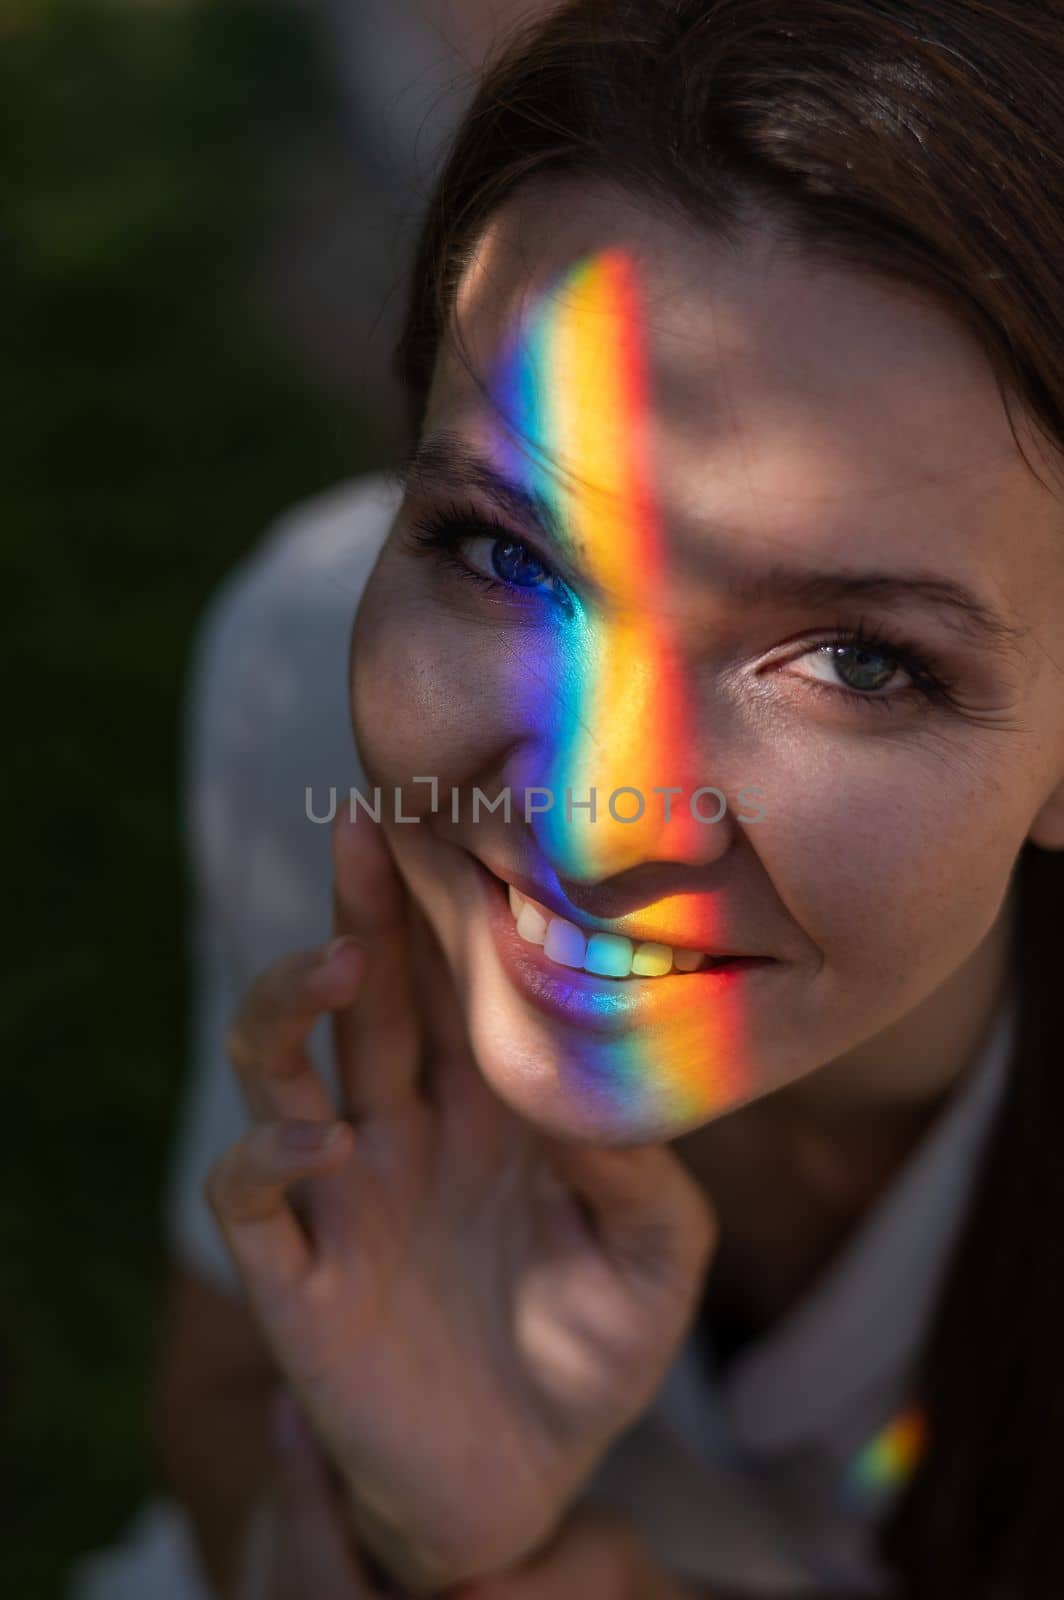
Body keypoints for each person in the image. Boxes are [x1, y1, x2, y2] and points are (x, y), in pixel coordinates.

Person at [157, 1, 1064, 1596]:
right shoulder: (311, 691)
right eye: (508, 556)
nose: (589, 821)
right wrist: (402, 1539)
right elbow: (223, 1402)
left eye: (857, 662)